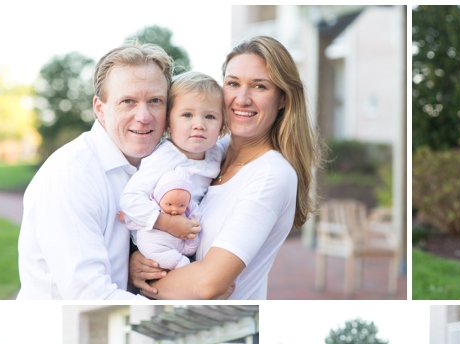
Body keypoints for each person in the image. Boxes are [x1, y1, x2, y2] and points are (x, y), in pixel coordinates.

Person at [129, 36, 321, 300]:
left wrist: (145, 283)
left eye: (259, 86)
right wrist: (138, 264)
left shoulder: (270, 174)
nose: (242, 98)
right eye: (233, 83)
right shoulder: (208, 151)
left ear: (283, 99)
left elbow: (207, 285)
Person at [17, 42, 174, 300]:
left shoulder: (153, 166)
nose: (144, 116)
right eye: (128, 102)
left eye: (155, 101)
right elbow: (90, 297)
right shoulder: (71, 176)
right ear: (100, 109)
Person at [119, 72, 226, 270]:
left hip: (187, 238)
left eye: (210, 116)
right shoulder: (166, 157)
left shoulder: (216, 153)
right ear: (168, 123)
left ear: (222, 127)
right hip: (157, 239)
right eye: (187, 115)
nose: (199, 125)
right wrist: (167, 223)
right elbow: (130, 199)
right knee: (181, 269)